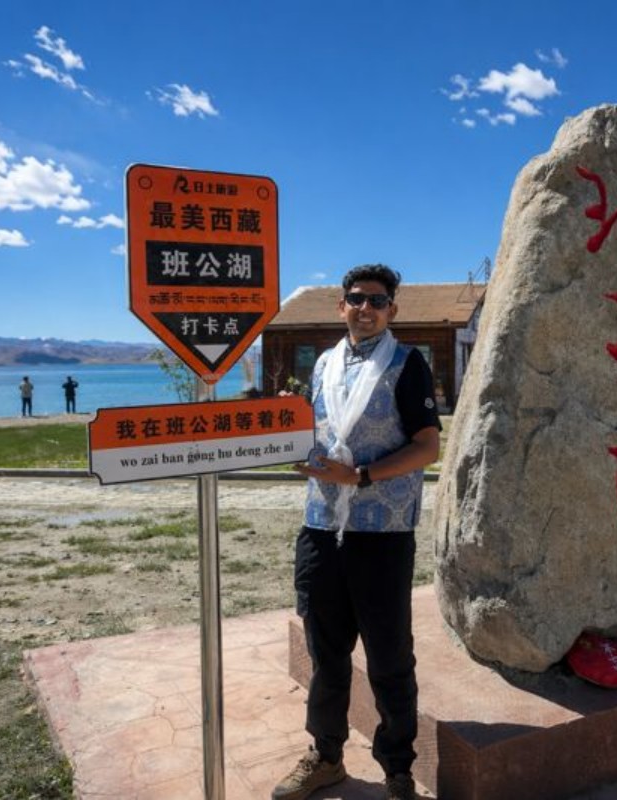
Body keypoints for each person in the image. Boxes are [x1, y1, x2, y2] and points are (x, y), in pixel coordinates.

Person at [275, 265, 440, 800]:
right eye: (356, 298)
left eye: (377, 300)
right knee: (326, 654)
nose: (365, 308)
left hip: (382, 531)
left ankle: (397, 770)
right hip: (322, 526)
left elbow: (427, 446)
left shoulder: (407, 363)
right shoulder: (323, 363)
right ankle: (325, 756)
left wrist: (362, 476)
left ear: (393, 309)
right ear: (340, 306)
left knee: (389, 656)